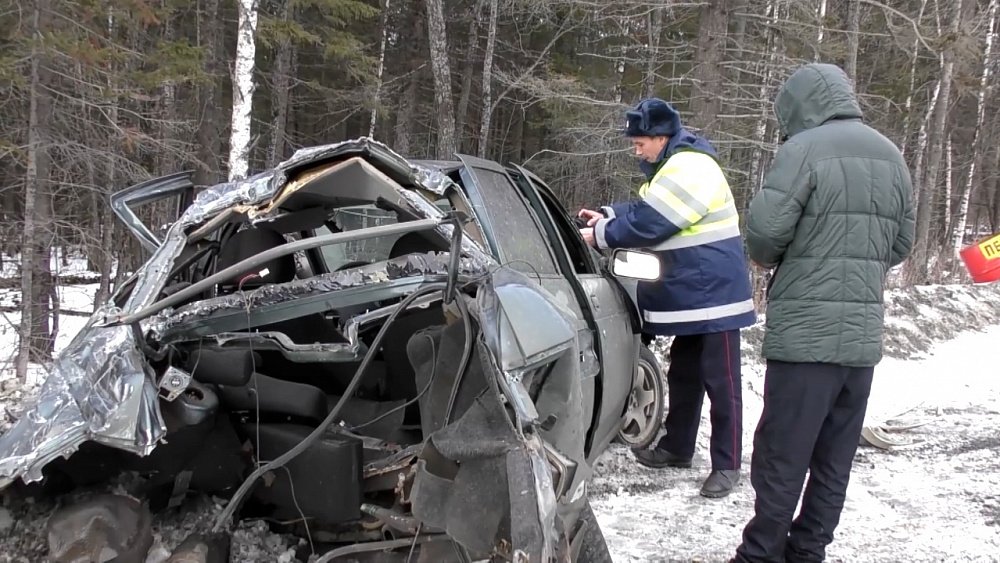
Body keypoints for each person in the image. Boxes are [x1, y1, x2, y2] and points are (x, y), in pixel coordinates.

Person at [731, 63, 915, 562]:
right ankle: (808, 552)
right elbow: (900, 244)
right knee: (835, 457)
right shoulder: (891, 154)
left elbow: (765, 236)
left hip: (805, 339)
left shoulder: (803, 149)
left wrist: (791, 256)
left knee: (782, 455)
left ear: (798, 105)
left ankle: (760, 554)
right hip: (860, 342)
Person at [578, 98, 756, 498]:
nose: (636, 150)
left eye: (640, 142)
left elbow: (653, 222)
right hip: (694, 293)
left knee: (722, 383)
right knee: (685, 375)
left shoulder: (690, 165)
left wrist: (603, 234)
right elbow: (647, 207)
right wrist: (607, 213)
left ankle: (726, 465)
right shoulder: (674, 164)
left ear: (661, 137)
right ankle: (677, 447)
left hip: (715, 295)